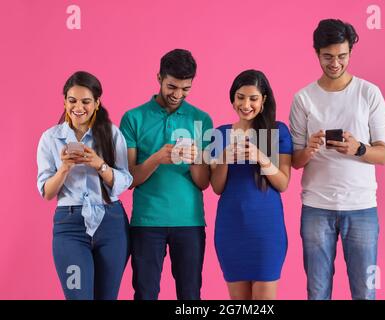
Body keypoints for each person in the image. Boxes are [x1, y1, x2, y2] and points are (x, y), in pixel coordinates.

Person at [289, 19, 385, 300]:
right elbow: (295, 162)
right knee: (317, 292)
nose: (335, 63)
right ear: (316, 53)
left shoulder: (369, 93)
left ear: (350, 53)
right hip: (316, 207)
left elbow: (383, 153)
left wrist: (358, 148)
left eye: (342, 56)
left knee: (364, 292)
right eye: (328, 56)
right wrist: (309, 149)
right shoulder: (303, 99)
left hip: (361, 207)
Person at [119, 49, 213, 300]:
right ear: (159, 77)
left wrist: (195, 160)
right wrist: (157, 158)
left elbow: (203, 183)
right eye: (172, 86)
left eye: (186, 89)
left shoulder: (201, 120)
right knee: (146, 293)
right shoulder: (133, 118)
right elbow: (129, 179)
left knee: (190, 296)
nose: (177, 95)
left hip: (190, 222)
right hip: (147, 222)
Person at [36, 71, 133, 300]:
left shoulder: (111, 133)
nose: (78, 107)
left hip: (112, 224)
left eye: (86, 101)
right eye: (72, 101)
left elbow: (124, 182)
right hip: (70, 227)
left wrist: (100, 165)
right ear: (64, 102)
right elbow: (46, 193)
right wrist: (64, 168)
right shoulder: (50, 138)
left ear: (97, 103)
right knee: (78, 296)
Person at [210, 69, 293, 300]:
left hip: (266, 230)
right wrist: (224, 158)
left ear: (263, 100)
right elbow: (217, 187)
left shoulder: (278, 131)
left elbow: (283, 182)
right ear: (233, 98)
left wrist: (261, 157)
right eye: (240, 97)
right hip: (231, 229)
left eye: (253, 98)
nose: (246, 104)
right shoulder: (220, 133)